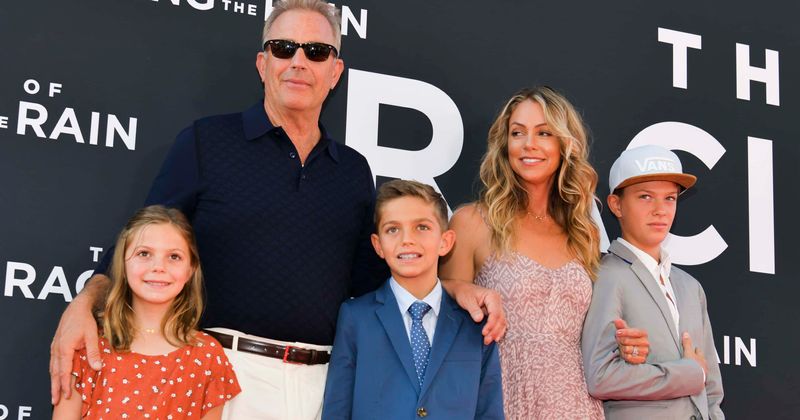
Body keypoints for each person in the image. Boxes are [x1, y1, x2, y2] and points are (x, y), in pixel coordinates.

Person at [49, 1, 505, 418]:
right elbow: (140, 243)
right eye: (284, 48)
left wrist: (450, 288)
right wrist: (83, 304)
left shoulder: (352, 171)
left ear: (335, 72)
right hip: (224, 376)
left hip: (324, 384)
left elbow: (375, 282)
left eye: (316, 52)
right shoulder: (207, 143)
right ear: (263, 63)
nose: (299, 62)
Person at [440, 86, 649, 419]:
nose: (529, 144)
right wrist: (460, 288)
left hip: (577, 403)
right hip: (500, 396)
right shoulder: (473, 222)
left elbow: (591, 334)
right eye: (517, 133)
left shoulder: (585, 233)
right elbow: (434, 309)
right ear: (504, 144)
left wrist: (621, 346)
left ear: (565, 144)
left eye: (544, 133)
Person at [322, 180, 504, 420]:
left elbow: (489, 412)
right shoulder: (356, 318)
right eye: (393, 229)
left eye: (422, 227)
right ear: (378, 245)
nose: (406, 239)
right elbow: (337, 409)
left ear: (445, 242)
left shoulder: (475, 324)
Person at [52, 205, 240, 420]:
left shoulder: (208, 356)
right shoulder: (90, 346)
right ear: (122, 263)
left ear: (191, 270)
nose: (159, 267)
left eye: (174, 256)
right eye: (144, 253)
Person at [581, 145, 724, 419]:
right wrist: (689, 373)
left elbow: (712, 391)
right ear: (616, 205)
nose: (660, 210)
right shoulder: (604, 275)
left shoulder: (690, 287)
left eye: (670, 198)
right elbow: (600, 376)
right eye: (645, 197)